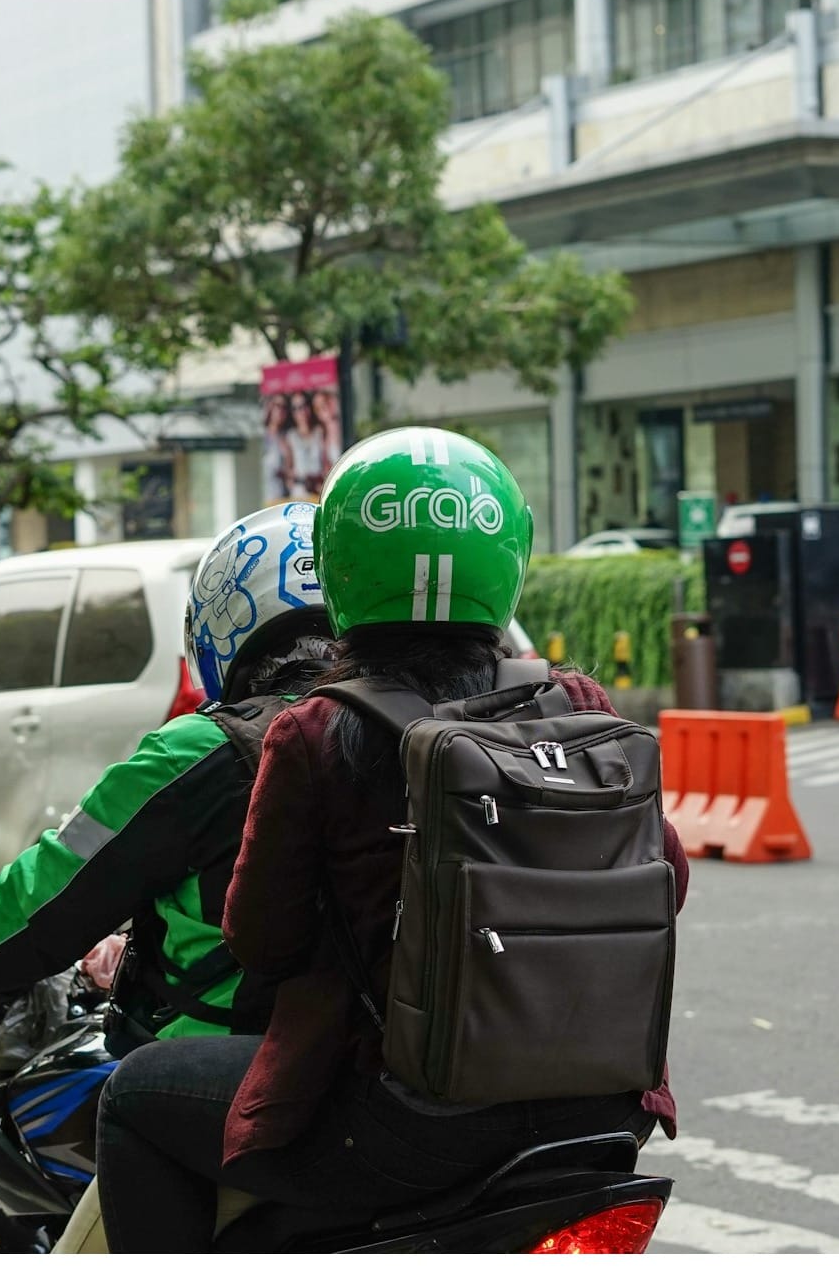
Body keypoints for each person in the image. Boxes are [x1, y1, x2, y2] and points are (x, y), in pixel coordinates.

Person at [95, 427, 689, 1253]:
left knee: (131, 1095)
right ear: (506, 559)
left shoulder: (315, 730)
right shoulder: (575, 701)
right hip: (600, 1109)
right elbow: (669, 877)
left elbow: (260, 939)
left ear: (338, 566)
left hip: (407, 1123)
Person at [0, 501, 335, 1250]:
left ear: (224, 622)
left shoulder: (202, 752)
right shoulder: (433, 732)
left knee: (123, 1127)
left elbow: (42, 899)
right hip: (429, 1102)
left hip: (248, 1096)